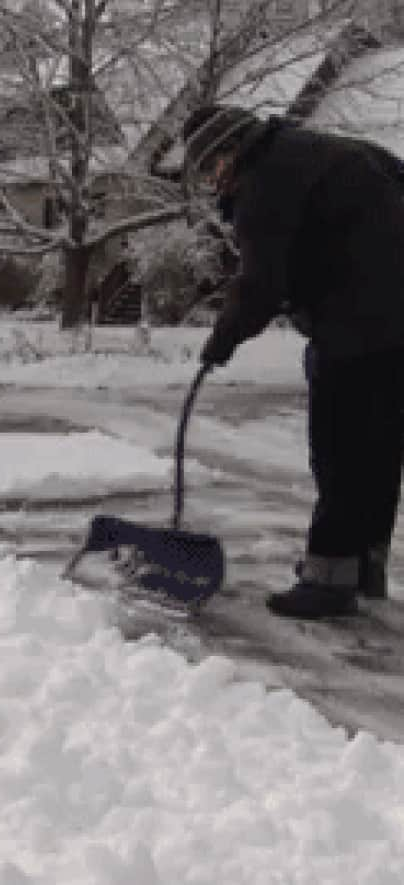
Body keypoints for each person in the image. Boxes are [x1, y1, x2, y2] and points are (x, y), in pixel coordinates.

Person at [182, 103, 404, 619]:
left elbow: (261, 284)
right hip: (392, 322)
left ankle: (329, 579)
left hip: (356, 324)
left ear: (231, 151)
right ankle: (364, 567)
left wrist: (222, 341)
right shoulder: (326, 152)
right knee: (377, 447)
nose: (214, 184)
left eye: (211, 168)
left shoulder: (268, 183)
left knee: (340, 449)